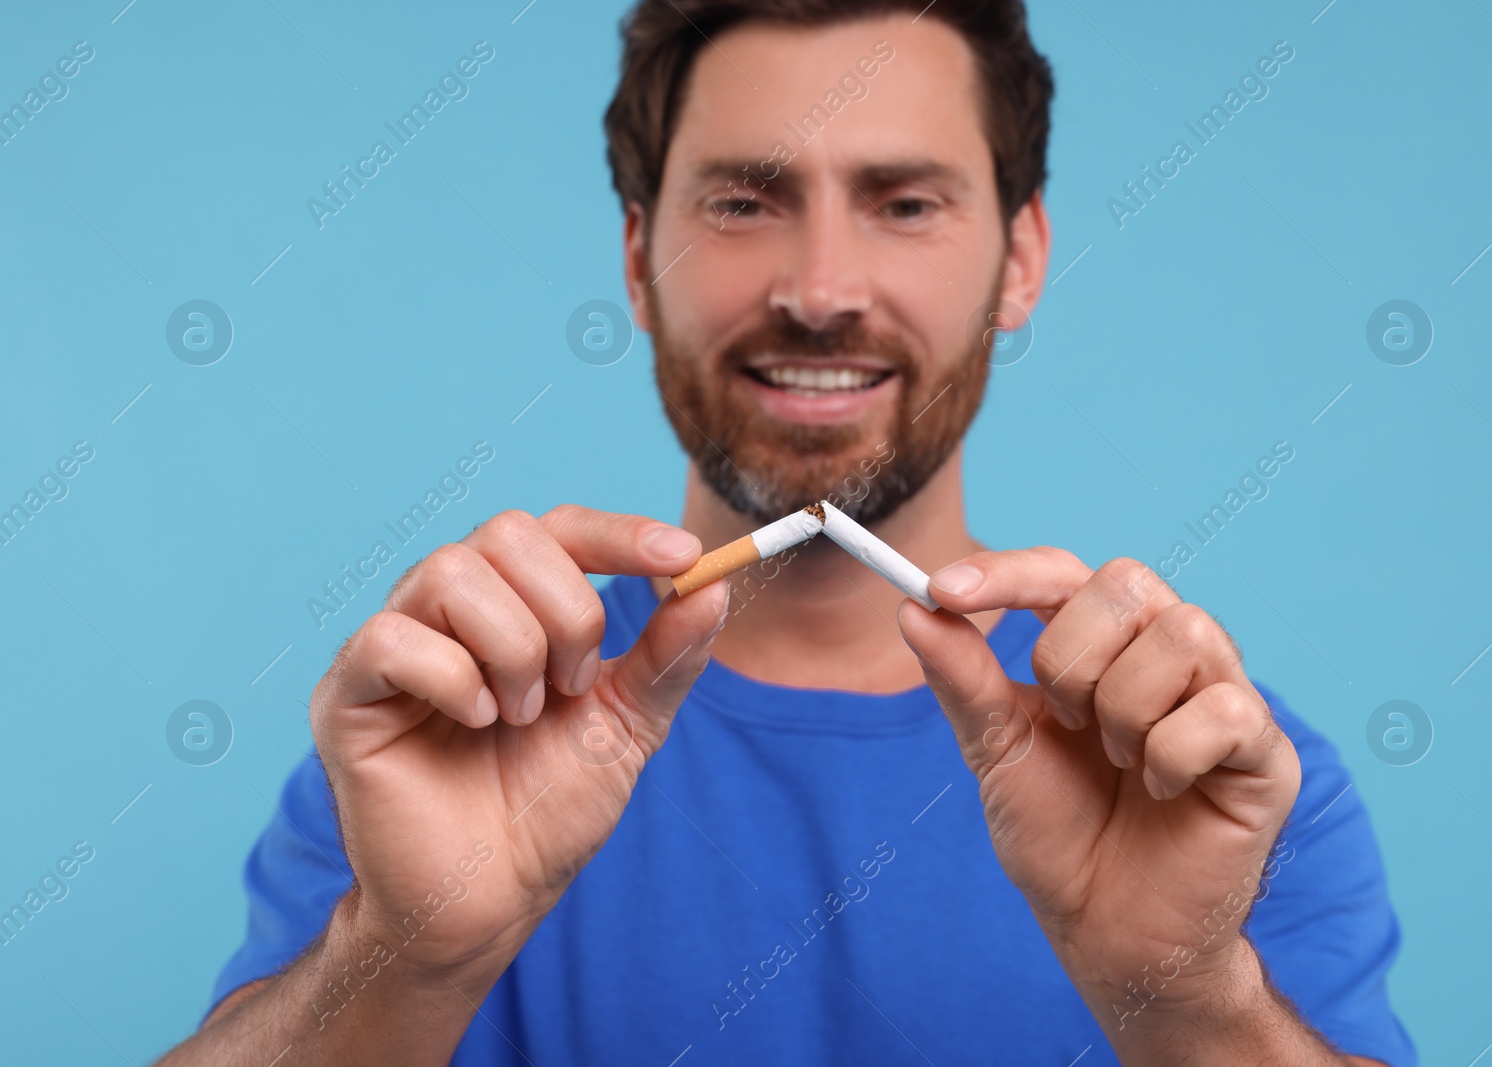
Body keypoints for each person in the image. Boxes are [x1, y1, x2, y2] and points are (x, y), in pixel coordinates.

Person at [158, 2, 1416, 1063]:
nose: (818, 290)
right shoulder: (447, 729)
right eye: (745, 203)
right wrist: (399, 956)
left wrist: (1192, 999)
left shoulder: (1207, 775)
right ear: (641, 256)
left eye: (905, 202)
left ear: (1020, 258)